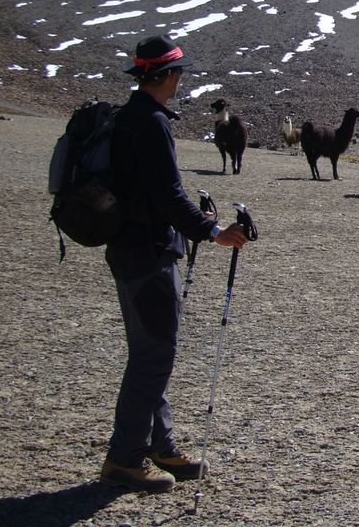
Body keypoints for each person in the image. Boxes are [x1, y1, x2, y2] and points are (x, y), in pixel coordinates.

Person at [99, 34, 249, 493]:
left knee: (152, 351)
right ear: (165, 76)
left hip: (127, 248)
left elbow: (150, 191)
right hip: (148, 252)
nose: (181, 79)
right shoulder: (152, 123)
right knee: (153, 355)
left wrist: (193, 220)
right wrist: (211, 231)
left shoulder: (127, 118)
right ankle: (124, 458)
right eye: (178, 72)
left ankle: (159, 444)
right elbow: (166, 194)